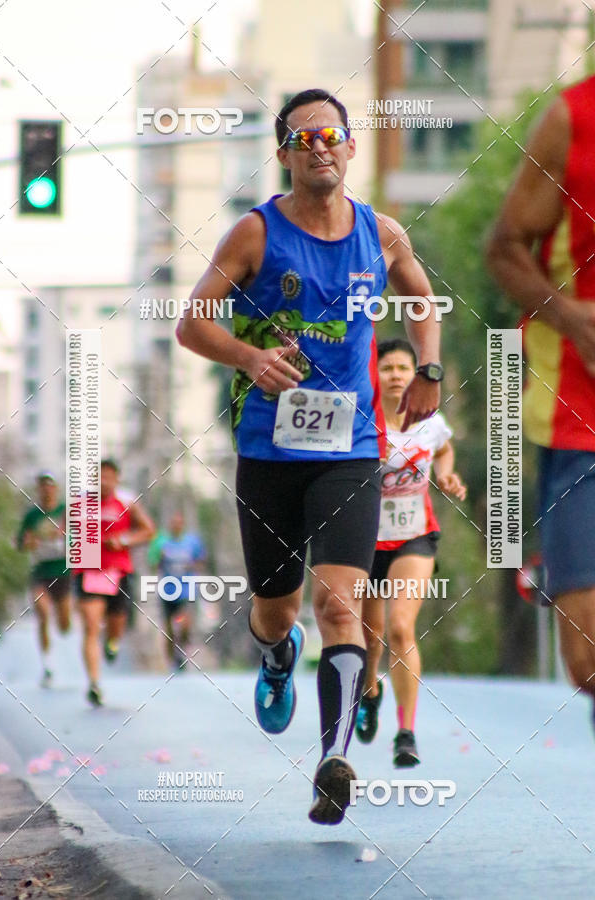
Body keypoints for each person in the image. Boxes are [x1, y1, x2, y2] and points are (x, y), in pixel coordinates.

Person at [176, 88, 443, 824]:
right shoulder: (255, 235)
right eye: (303, 137)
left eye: (332, 134)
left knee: (339, 604)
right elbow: (191, 323)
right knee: (276, 608)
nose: (319, 146)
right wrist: (248, 356)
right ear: (286, 153)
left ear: (352, 147)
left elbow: (422, 299)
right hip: (268, 449)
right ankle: (272, 656)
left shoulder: (382, 234)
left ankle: (334, 760)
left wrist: (429, 369)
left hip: (350, 450)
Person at [487, 76, 595, 726]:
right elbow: (503, 248)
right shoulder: (571, 119)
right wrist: (574, 320)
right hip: (580, 421)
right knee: (584, 657)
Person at [354, 339, 466, 765]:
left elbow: (444, 449)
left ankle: (406, 731)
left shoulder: (429, 420)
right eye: (388, 368)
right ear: (375, 376)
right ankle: (370, 689)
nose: (398, 374)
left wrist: (447, 476)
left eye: (404, 367)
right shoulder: (363, 420)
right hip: (365, 539)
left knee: (401, 628)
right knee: (372, 640)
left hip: (415, 537)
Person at [76, 459, 155, 706]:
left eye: (109, 476)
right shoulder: (80, 504)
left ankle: (112, 642)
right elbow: (64, 531)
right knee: (90, 626)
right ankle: (94, 683)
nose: (103, 481)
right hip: (89, 571)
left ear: (117, 479)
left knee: (116, 624)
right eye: (99, 476)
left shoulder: (127, 503)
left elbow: (148, 531)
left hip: (117, 571)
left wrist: (123, 540)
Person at [17, 472, 71, 687]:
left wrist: (66, 534)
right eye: (42, 487)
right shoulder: (32, 515)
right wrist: (27, 542)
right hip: (41, 571)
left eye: (50, 486)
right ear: (38, 490)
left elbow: (85, 537)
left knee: (64, 625)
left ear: (55, 489)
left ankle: (63, 623)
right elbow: (21, 541)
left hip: (63, 571)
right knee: (42, 612)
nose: (46, 490)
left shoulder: (66, 511)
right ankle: (47, 664)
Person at [147, 512, 207, 670]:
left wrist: (192, 566)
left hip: (186, 590)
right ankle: (172, 661)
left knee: (185, 624)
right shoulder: (161, 542)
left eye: (179, 523)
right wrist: (159, 558)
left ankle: (182, 650)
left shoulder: (192, 542)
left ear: (183, 525)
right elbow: (152, 565)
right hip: (167, 590)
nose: (176, 526)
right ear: (170, 525)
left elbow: (201, 562)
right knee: (168, 628)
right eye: (173, 523)